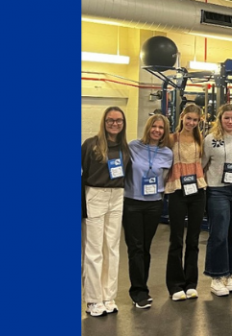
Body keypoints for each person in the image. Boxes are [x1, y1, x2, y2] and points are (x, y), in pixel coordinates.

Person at [82, 106, 131, 317]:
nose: (114, 124)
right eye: (110, 120)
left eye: (119, 121)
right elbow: (81, 173)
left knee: (112, 248)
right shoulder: (90, 144)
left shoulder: (125, 147)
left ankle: (108, 296)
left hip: (117, 196)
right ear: (104, 122)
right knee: (93, 250)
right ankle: (93, 299)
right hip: (95, 195)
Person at [123, 114, 174, 309]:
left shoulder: (167, 153)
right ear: (148, 128)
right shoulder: (133, 146)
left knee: (145, 247)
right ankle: (138, 292)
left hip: (154, 204)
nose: (157, 131)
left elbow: (167, 176)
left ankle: (141, 286)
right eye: (154, 127)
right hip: (132, 203)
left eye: (161, 128)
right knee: (135, 247)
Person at [203, 104, 232, 297]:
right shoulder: (211, 139)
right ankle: (216, 276)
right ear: (220, 119)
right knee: (219, 234)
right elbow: (203, 164)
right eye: (226, 118)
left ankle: (228, 274)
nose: (230, 122)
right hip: (218, 190)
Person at [165, 103, 208, 301]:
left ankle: (191, 283)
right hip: (177, 191)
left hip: (197, 191)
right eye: (188, 118)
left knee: (193, 240)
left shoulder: (201, 139)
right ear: (182, 117)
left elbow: (206, 162)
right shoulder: (171, 139)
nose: (191, 122)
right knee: (176, 239)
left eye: (195, 120)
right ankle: (175, 285)